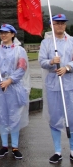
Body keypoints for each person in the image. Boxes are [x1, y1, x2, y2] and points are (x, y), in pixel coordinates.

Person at [0, 24, 30, 160]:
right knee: (2, 115)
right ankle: (4, 146)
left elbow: (21, 69)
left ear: (12, 34)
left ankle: (15, 146)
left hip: (13, 87)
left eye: (6, 33)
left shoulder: (19, 50)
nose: (3, 35)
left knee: (14, 116)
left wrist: (9, 81)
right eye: (1, 33)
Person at [38, 14, 73, 164]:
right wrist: (51, 61)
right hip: (53, 85)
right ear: (51, 25)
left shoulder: (72, 41)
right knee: (54, 118)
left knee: (71, 118)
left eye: (62, 23)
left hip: (69, 85)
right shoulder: (46, 43)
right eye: (57, 23)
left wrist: (67, 67)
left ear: (65, 25)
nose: (60, 26)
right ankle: (57, 151)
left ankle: (72, 150)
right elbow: (41, 61)